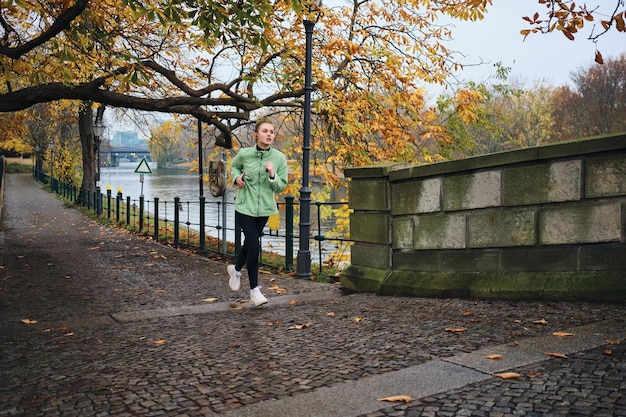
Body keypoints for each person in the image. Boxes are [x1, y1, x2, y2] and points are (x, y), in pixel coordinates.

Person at [227, 121, 288, 306]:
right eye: (265, 131)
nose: (269, 134)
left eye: (271, 131)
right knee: (254, 245)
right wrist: (236, 178)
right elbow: (234, 167)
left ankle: (236, 269)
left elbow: (281, 185)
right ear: (256, 135)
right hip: (245, 207)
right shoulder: (245, 154)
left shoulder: (279, 158)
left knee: (249, 244)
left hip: (264, 209)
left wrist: (272, 174)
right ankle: (254, 291)